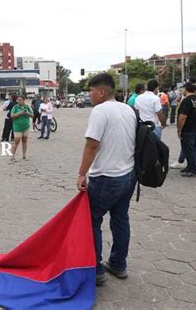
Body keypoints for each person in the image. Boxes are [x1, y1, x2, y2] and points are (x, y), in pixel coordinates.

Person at [76, 73, 137, 287]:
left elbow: (92, 144)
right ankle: (119, 264)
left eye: (91, 90)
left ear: (101, 92)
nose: (89, 94)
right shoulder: (127, 109)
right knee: (121, 219)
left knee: (92, 220)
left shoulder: (100, 111)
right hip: (129, 175)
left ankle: (96, 269)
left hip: (106, 177)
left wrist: (82, 173)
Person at [176, 82, 196, 177]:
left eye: (183, 89)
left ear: (186, 89)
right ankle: (190, 166)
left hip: (188, 128)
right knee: (192, 148)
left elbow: (182, 117)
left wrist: (179, 129)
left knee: (188, 149)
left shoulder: (186, 101)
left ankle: (193, 169)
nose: (182, 91)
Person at [10, 95, 33, 161]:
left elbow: (32, 115)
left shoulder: (27, 106)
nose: (19, 101)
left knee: (24, 140)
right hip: (17, 126)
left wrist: (27, 113)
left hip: (25, 126)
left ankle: (24, 155)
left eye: (20, 100)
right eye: (18, 100)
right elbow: (12, 116)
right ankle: (12, 156)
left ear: (24, 100)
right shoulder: (15, 107)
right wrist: (20, 113)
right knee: (16, 141)